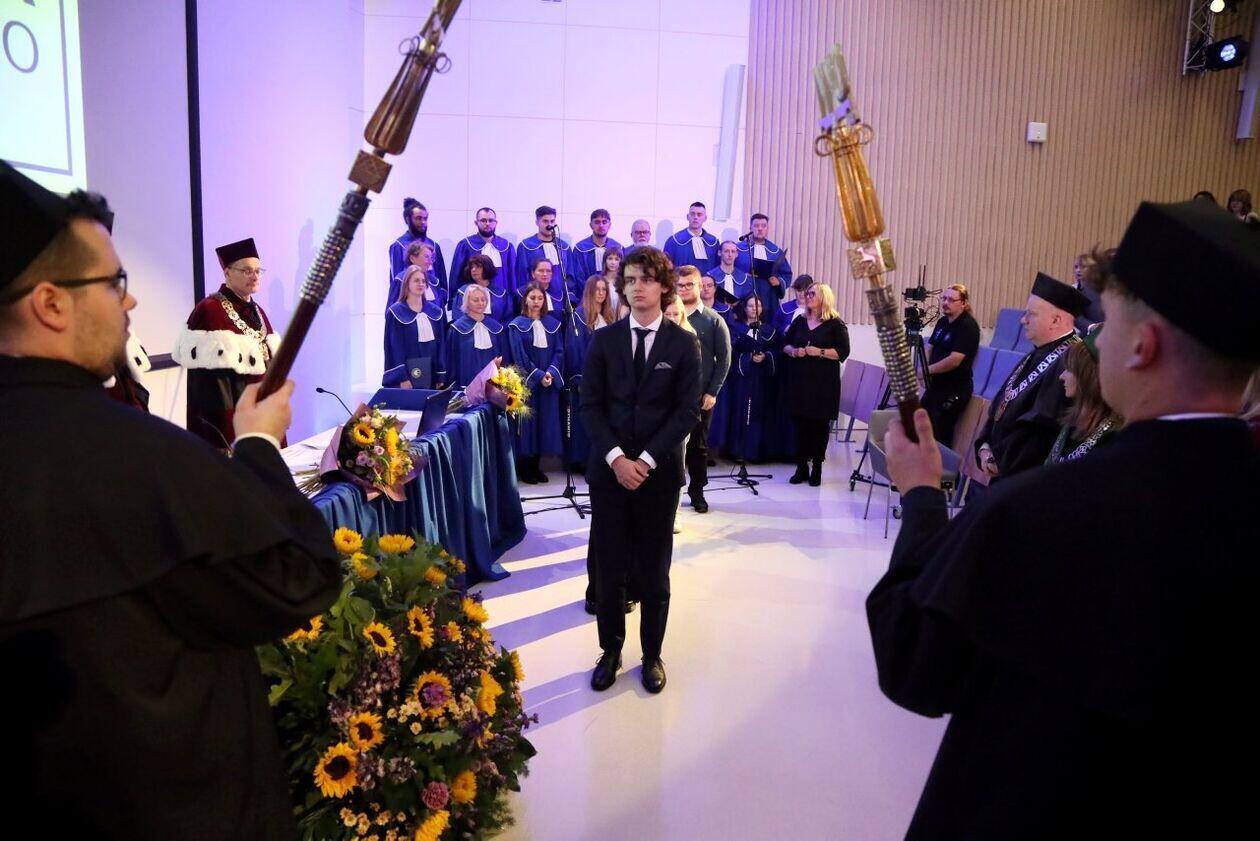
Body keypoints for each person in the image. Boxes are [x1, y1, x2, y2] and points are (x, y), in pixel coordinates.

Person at [867, 199, 1260, 839]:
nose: (1094, 342)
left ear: (1143, 345)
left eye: (1107, 323)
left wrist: (920, 494)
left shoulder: (1044, 509)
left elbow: (915, 661)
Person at [0, 160, 340, 837]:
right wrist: (257, 445)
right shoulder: (134, 456)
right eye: (114, 283)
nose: (128, 304)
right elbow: (298, 574)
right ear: (51, 303)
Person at [580, 246, 701, 694]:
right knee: (609, 570)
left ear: (664, 286)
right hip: (609, 475)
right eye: (629, 280)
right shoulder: (604, 341)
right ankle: (610, 651)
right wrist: (617, 459)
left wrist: (644, 461)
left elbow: (687, 412)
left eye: (646, 279)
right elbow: (590, 406)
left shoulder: (683, 343)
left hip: (658, 476)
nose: (636, 288)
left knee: (654, 572)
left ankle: (652, 654)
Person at [974, 272, 1089, 480]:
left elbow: (1042, 426)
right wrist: (984, 446)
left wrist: (1000, 459)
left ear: (1055, 320)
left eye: (1031, 314)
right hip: (999, 466)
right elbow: (1001, 405)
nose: (1022, 320)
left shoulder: (1070, 360)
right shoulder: (1036, 352)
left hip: (1023, 476)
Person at [173, 237, 281, 450]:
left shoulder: (258, 311)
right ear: (227, 273)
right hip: (234, 426)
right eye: (247, 271)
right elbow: (211, 388)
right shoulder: (210, 310)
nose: (255, 276)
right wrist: (226, 440)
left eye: (258, 271)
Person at [677, 265, 731, 513]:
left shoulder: (713, 320)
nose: (684, 289)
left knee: (698, 447)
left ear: (700, 286)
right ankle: (669, 493)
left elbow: (725, 359)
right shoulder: (669, 315)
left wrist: (713, 392)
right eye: (680, 285)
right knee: (669, 446)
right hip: (670, 395)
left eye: (689, 284)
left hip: (701, 397)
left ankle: (697, 492)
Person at [783, 283, 850, 485]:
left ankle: (817, 467)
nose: (808, 296)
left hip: (823, 385)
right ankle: (801, 466)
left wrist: (819, 352)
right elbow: (785, 344)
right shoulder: (800, 321)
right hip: (800, 381)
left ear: (824, 297)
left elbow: (843, 352)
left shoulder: (835, 324)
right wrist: (794, 351)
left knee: (819, 426)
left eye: (812, 293)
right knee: (800, 424)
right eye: (807, 293)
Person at [507, 282, 564, 485]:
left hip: (548, 383)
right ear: (525, 300)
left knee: (544, 424)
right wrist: (538, 375)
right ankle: (525, 468)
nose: (536, 302)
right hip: (528, 383)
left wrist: (550, 373)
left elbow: (559, 351)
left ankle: (537, 466)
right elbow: (519, 355)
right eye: (532, 298)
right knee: (527, 425)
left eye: (540, 298)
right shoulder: (516, 326)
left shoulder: (553, 324)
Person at [1046, 330, 1121, 463]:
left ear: (1089, 377)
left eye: (1069, 369)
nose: (1061, 376)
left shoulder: (1113, 439)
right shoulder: (1074, 421)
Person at [920, 283, 981, 447]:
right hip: (936, 385)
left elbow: (954, 360)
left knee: (940, 434)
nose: (945, 303)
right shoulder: (942, 322)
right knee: (920, 423)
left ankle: (942, 464)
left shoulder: (968, 326)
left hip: (954, 389)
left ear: (963, 303)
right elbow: (929, 347)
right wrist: (924, 369)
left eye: (951, 300)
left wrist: (926, 371)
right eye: (944, 298)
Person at [725, 295, 783, 463]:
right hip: (742, 379)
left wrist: (766, 356)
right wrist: (747, 357)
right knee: (740, 413)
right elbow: (731, 353)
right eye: (750, 305)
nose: (754, 309)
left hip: (762, 380)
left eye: (758, 305)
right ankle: (738, 451)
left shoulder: (769, 331)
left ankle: (756, 452)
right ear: (744, 308)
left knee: (759, 413)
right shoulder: (736, 328)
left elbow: (777, 352)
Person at [384, 265, 447, 388]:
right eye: (416, 280)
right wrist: (402, 378)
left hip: (431, 372)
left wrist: (440, 375)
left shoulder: (436, 312)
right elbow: (395, 348)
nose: (421, 284)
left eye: (423, 281)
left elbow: (440, 346)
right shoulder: (396, 312)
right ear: (407, 284)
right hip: (407, 376)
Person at [445, 283, 507, 388]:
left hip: (492, 383)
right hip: (466, 382)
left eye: (483, 299)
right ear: (467, 302)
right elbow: (451, 361)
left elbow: (503, 359)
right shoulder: (456, 329)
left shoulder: (496, 328)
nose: (480, 303)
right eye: (476, 300)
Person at [449, 207, 515, 296]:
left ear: (496, 222)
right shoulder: (465, 245)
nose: (487, 224)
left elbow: (512, 276)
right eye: (483, 220)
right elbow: (456, 276)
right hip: (473, 298)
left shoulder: (506, 246)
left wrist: (512, 299)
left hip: (501, 298)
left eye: (491, 220)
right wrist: (455, 299)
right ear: (476, 223)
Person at [389, 197, 446, 296]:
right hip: (409, 299)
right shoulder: (399, 246)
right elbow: (397, 281)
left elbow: (442, 280)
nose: (423, 222)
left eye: (425, 218)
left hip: (433, 300)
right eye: (418, 218)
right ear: (408, 219)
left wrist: (441, 298)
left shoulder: (434, 245)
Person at [708, 239, 777, 319]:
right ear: (720, 253)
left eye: (733, 251)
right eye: (726, 251)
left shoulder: (744, 278)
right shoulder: (710, 276)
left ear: (737, 254)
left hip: (738, 320)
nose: (730, 255)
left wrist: (738, 307)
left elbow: (748, 301)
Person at [515, 205, 573, 300]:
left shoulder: (564, 247)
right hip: (535, 299)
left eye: (552, 221)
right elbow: (522, 275)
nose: (549, 225)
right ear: (537, 222)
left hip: (560, 299)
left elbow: (570, 275)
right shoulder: (525, 246)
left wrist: (569, 298)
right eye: (545, 221)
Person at [734, 212, 791, 301]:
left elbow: (786, 274)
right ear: (750, 228)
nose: (760, 229)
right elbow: (729, 269)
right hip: (744, 295)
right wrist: (742, 276)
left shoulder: (775, 251)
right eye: (756, 226)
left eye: (763, 226)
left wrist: (779, 281)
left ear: (767, 228)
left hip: (768, 296)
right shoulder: (738, 249)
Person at [388, 240, 449, 314]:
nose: (430, 262)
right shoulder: (400, 280)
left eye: (431, 258)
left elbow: (441, 313)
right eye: (426, 257)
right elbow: (392, 312)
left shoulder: (434, 282)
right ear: (412, 258)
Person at [452, 253, 513, 324]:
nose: (473, 270)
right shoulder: (463, 292)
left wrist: (496, 329)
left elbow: (507, 318)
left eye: (478, 267)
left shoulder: (501, 294)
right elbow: (458, 317)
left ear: (487, 268)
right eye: (472, 267)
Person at [663, 201, 720, 273]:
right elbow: (665, 267)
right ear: (687, 217)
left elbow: (718, 268)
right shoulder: (674, 241)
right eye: (692, 214)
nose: (695, 217)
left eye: (699, 214)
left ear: (705, 218)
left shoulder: (713, 242)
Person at [570, 208, 623, 285]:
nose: (601, 225)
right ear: (591, 225)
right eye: (597, 222)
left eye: (604, 222)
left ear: (609, 225)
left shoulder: (618, 248)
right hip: (587, 291)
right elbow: (578, 278)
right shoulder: (580, 249)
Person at [1072, 250, 1107, 333]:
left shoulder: (1099, 289)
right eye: (1076, 267)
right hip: (1084, 333)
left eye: (1083, 267)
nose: (1078, 270)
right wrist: (1091, 326)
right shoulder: (1073, 289)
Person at [600, 246, 628, 318]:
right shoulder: (599, 281)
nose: (613, 262)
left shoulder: (625, 281)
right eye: (610, 258)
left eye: (616, 259)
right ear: (605, 260)